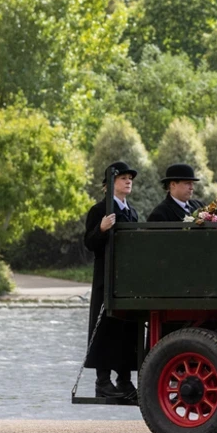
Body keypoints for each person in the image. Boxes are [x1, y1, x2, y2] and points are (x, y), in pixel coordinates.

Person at [82, 161, 143, 399]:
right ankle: (103, 381)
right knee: (105, 328)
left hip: (127, 281)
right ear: (109, 185)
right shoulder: (99, 211)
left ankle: (125, 381)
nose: (128, 182)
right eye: (123, 178)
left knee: (127, 330)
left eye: (130, 178)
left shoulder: (132, 212)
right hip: (106, 280)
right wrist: (102, 228)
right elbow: (89, 243)